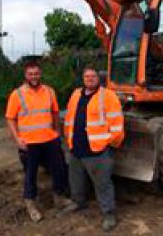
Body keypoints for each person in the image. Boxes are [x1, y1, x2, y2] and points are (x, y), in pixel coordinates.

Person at [6, 61, 69, 222]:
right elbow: (10, 118)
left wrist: (56, 131)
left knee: (59, 170)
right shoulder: (17, 94)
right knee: (30, 175)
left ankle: (59, 198)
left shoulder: (49, 91)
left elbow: (55, 112)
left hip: (50, 140)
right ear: (25, 75)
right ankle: (31, 205)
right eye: (30, 74)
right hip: (29, 143)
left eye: (36, 73)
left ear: (40, 74)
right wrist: (17, 139)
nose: (34, 77)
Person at [64, 67, 124, 232]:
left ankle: (109, 214)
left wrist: (109, 145)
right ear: (83, 78)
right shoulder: (76, 94)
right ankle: (78, 202)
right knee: (75, 180)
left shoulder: (108, 96)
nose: (90, 79)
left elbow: (117, 125)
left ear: (99, 78)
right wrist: (69, 139)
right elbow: (69, 117)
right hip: (76, 148)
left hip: (98, 150)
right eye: (86, 76)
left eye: (93, 76)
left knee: (103, 184)